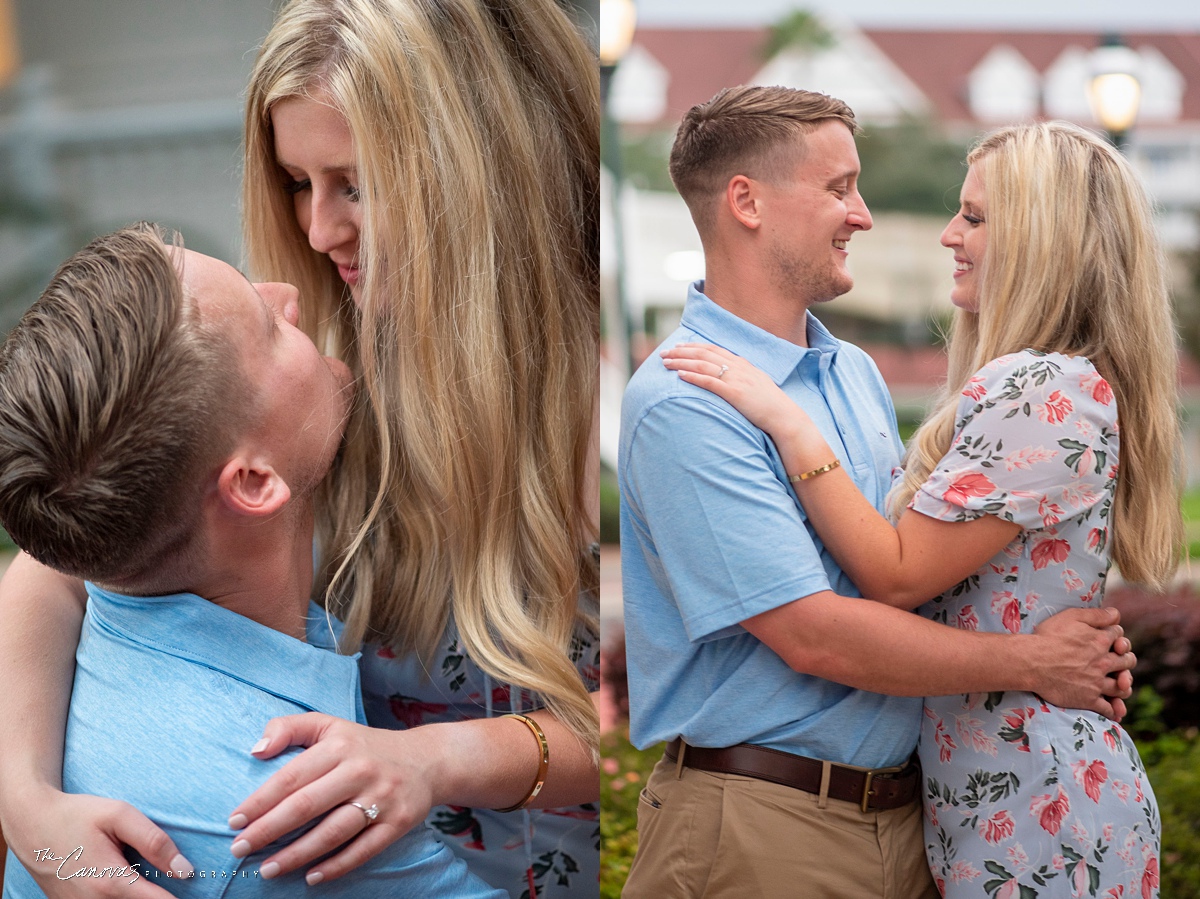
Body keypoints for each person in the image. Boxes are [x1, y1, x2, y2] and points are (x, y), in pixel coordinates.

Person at [0, 3, 600, 896]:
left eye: (354, 184)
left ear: (471, 172)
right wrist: (25, 803)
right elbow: (72, 547)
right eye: (295, 182)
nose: (316, 234)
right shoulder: (307, 364)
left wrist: (439, 759)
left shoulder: (597, 395)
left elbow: (663, 734)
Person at [618, 86, 1140, 899]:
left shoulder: (852, 374)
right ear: (746, 202)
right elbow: (815, 635)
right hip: (768, 827)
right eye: (838, 188)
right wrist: (1033, 657)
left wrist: (1057, 628)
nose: (863, 214)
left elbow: (918, 573)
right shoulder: (688, 399)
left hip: (913, 821)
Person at [0, 224, 504, 899]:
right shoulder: (285, 810)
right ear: (255, 484)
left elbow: (45, 557)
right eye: (267, 325)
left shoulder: (119, 551)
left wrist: (21, 795)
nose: (290, 294)